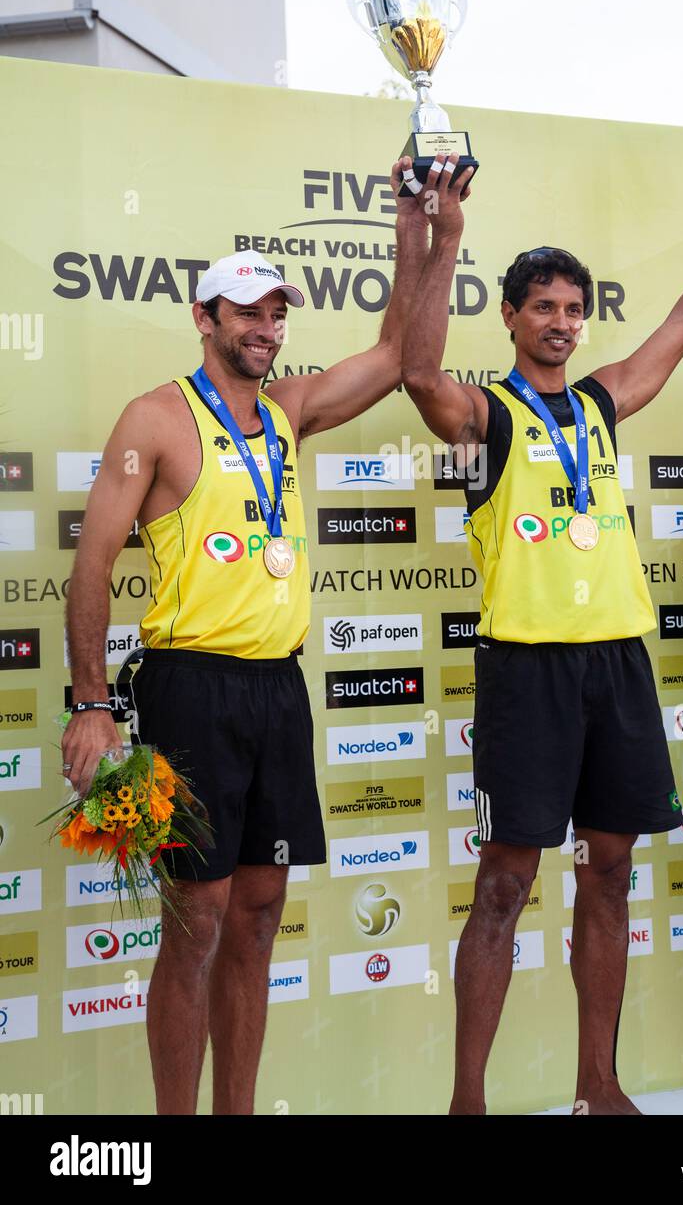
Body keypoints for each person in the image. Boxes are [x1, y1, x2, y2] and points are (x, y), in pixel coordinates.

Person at [401, 156, 683, 1115]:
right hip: (526, 670)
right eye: (542, 305)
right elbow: (416, 370)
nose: (561, 321)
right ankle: (468, 1101)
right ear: (511, 317)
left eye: (573, 307)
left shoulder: (601, 404)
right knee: (504, 886)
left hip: (617, 664)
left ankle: (598, 1085)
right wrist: (442, 238)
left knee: (611, 873)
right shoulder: (482, 418)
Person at [62, 157, 451, 1115]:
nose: (263, 329)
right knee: (195, 918)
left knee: (261, 912)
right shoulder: (154, 418)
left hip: (279, 688)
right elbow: (91, 566)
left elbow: (401, 353)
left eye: (276, 314)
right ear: (205, 318)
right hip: (190, 683)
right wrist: (90, 707)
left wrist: (419, 226)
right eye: (245, 312)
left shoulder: (290, 410)